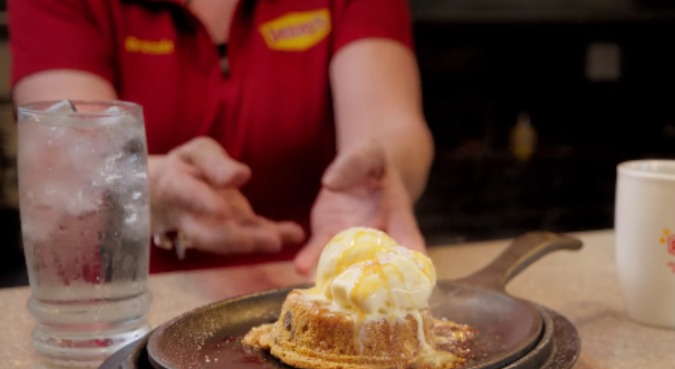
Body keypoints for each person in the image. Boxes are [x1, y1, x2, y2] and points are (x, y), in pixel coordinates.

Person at [7, 0, 434, 277]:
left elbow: (391, 125)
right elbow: (64, 155)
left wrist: (384, 170)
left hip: (310, 282)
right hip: (134, 306)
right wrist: (153, 184)